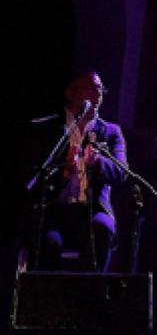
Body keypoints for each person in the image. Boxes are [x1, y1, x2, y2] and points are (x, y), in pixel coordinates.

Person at [30, 71, 128, 272]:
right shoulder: (46, 129)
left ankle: (89, 291)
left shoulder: (111, 132)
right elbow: (32, 172)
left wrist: (98, 162)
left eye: (100, 90)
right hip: (54, 209)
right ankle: (46, 292)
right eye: (91, 88)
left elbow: (121, 172)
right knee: (47, 241)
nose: (98, 94)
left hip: (93, 210)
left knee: (102, 229)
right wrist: (63, 169)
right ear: (71, 93)